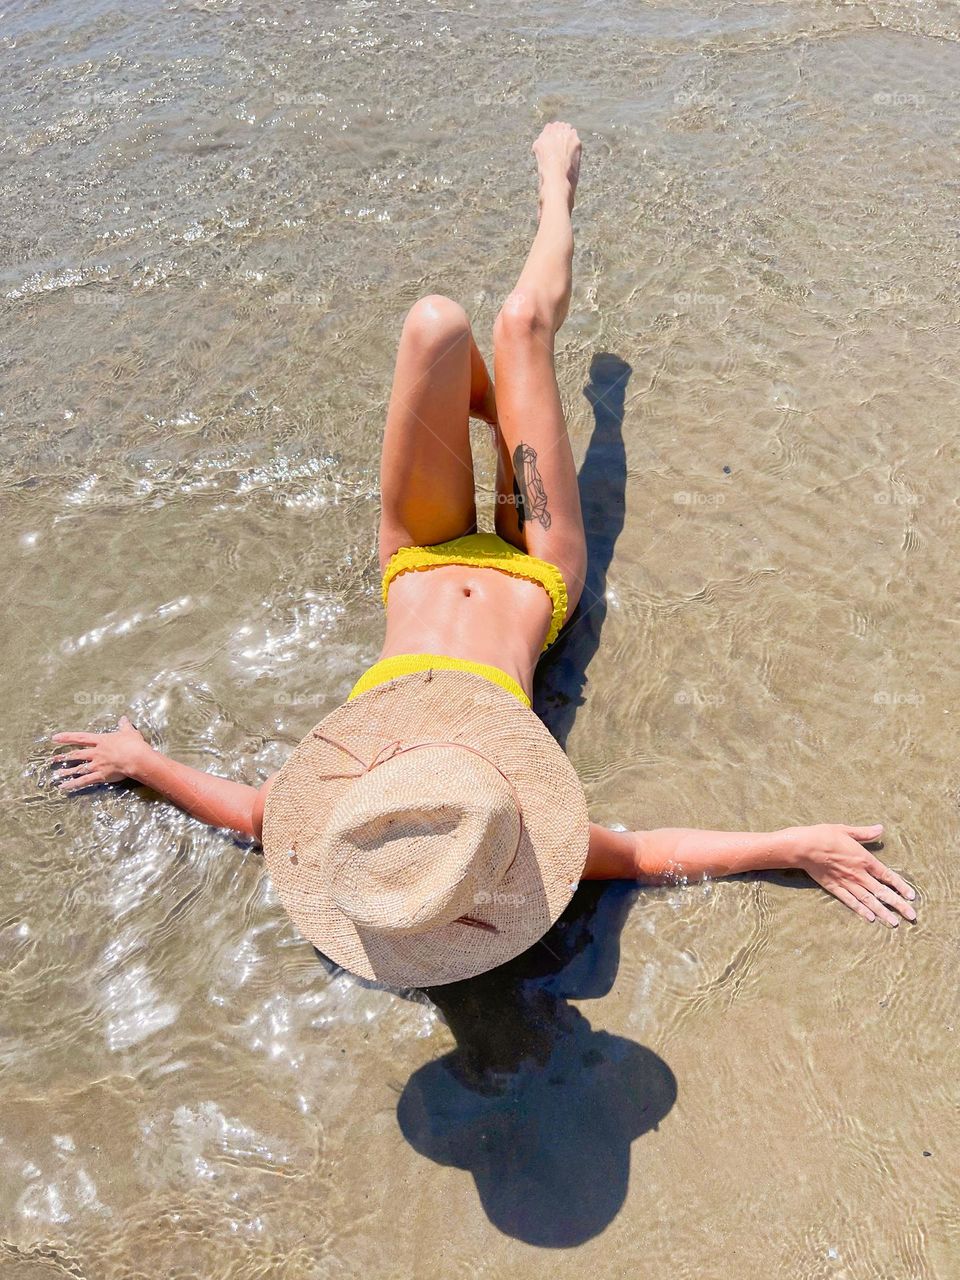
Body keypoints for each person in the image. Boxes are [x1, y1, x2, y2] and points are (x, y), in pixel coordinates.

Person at [50, 124, 916, 988]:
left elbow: (248, 814)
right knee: (520, 322)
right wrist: (795, 845)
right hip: (535, 563)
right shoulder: (514, 845)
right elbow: (652, 854)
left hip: (418, 554)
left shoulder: (341, 815)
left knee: (434, 324)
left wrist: (143, 762)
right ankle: (555, 199)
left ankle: (499, 405)